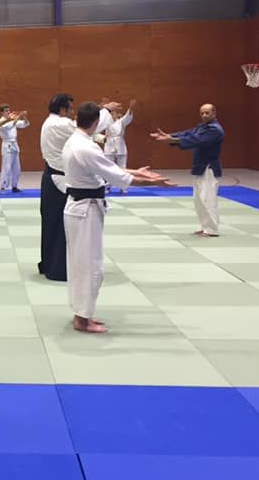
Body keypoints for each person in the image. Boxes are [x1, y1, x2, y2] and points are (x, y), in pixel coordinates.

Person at [63, 102, 174, 333]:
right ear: (96, 123)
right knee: (90, 265)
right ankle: (82, 319)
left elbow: (105, 168)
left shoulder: (76, 140)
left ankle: (82, 313)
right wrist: (152, 182)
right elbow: (116, 176)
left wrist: (137, 172)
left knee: (81, 263)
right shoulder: (85, 147)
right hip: (85, 210)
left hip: (80, 208)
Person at [38, 94, 119, 281]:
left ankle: (50, 263)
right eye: (70, 108)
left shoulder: (51, 122)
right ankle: (58, 268)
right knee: (61, 227)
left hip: (52, 177)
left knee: (53, 224)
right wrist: (104, 111)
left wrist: (101, 135)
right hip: (60, 180)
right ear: (62, 109)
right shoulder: (60, 123)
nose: (72, 112)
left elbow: (84, 131)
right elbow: (87, 126)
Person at [150, 103, 225, 237]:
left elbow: (196, 140)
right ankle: (205, 226)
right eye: (202, 113)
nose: (204, 115)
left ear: (214, 113)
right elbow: (187, 133)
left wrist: (173, 140)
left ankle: (212, 229)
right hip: (200, 167)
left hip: (209, 167)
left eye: (207, 113)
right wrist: (169, 136)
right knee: (198, 199)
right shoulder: (202, 127)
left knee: (207, 199)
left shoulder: (215, 130)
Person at [104, 100, 136, 194]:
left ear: (117, 114)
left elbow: (127, 117)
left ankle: (123, 186)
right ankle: (107, 186)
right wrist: (104, 107)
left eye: (114, 113)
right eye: (111, 114)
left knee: (122, 167)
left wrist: (130, 108)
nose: (112, 115)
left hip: (120, 145)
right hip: (109, 145)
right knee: (108, 167)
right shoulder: (106, 123)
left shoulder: (121, 122)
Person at [0, 105, 30, 193]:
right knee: (7, 167)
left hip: (14, 145)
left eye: (8, 110)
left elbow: (25, 124)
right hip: (7, 145)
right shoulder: (0, 121)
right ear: (2, 112)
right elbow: (9, 126)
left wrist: (24, 117)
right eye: (6, 111)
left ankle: (14, 186)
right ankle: (3, 187)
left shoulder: (12, 120)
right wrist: (18, 117)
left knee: (17, 168)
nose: (8, 112)